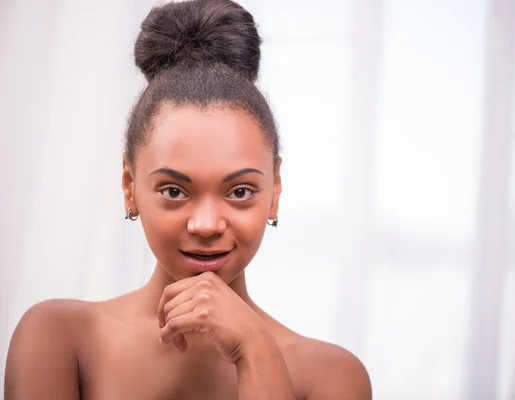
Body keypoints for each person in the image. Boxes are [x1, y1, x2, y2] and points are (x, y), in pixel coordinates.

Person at [4, 0, 372, 399]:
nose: (207, 224)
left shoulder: (332, 376)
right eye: (175, 191)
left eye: (240, 191)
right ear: (130, 186)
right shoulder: (60, 338)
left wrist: (254, 350)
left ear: (275, 191)